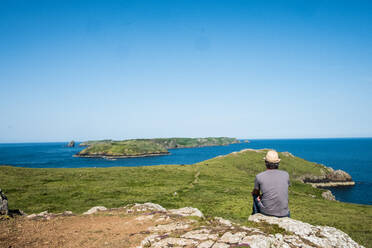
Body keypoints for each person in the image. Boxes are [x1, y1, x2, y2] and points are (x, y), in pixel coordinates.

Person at [251, 150, 290, 217]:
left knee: (254, 195)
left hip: (267, 212)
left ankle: (255, 216)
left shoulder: (259, 176)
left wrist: (258, 195)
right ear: (278, 163)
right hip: (285, 213)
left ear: (265, 162)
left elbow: (256, 192)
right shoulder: (286, 174)